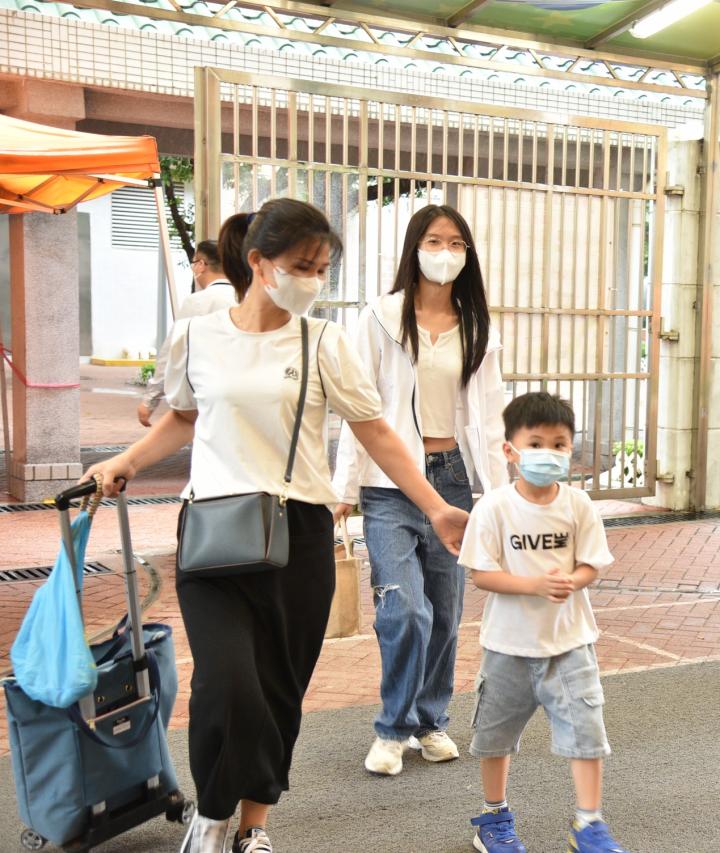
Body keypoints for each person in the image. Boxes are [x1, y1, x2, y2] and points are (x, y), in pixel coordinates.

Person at [83, 198, 469, 853]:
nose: (312, 280)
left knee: (278, 692)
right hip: (213, 532)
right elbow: (184, 416)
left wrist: (435, 506)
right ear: (260, 262)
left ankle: (253, 827)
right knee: (227, 685)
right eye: (301, 266)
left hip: (300, 535)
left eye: (321, 269)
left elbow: (376, 432)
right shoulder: (198, 336)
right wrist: (127, 460)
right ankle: (212, 813)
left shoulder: (324, 342)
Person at [331, 204, 508, 776]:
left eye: (457, 243)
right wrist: (343, 486)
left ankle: (429, 721)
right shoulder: (380, 318)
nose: (445, 253)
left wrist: (500, 496)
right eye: (434, 241)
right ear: (414, 248)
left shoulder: (478, 326)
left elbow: (490, 417)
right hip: (388, 484)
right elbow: (358, 407)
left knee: (446, 611)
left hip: (452, 479)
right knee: (404, 609)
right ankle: (392, 729)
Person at [458, 392, 630, 853]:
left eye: (558, 444)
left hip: (570, 644)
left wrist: (573, 581)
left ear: (571, 449)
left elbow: (592, 564)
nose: (547, 454)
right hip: (507, 647)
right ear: (510, 450)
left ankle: (589, 825)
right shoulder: (493, 507)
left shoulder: (578, 505)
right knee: (494, 738)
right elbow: (481, 574)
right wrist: (533, 585)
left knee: (587, 733)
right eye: (535, 443)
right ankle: (494, 817)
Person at [138, 240, 237, 427]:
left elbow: (172, 351)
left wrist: (150, 400)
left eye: (194, 262)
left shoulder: (197, 302)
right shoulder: (244, 297)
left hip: (206, 398)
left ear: (201, 265)